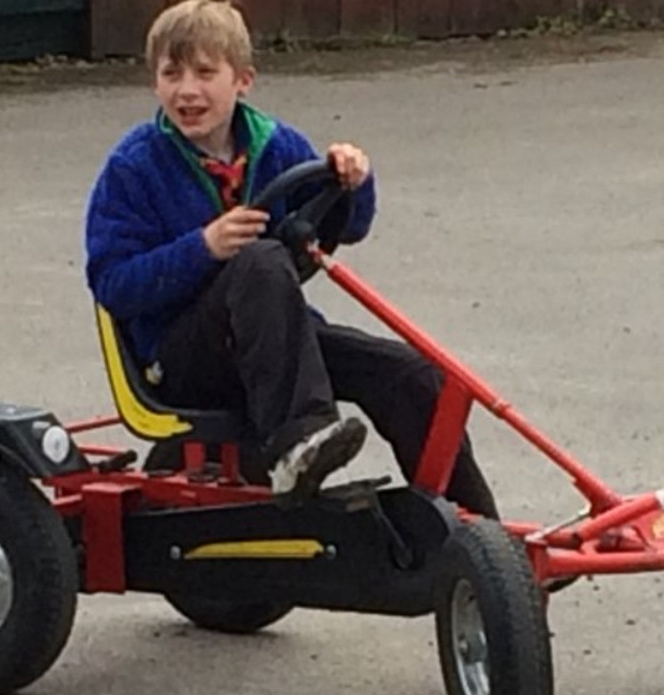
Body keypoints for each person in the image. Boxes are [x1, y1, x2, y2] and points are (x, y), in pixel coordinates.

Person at [84, 0, 496, 515]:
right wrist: (202, 248)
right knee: (258, 260)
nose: (187, 90)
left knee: (410, 376)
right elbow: (112, 283)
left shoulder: (275, 145)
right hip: (180, 358)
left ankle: (479, 536)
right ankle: (299, 442)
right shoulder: (135, 166)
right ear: (155, 83)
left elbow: (345, 227)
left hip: (274, 341)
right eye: (172, 74)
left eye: (205, 73)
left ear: (243, 81)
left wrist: (351, 182)